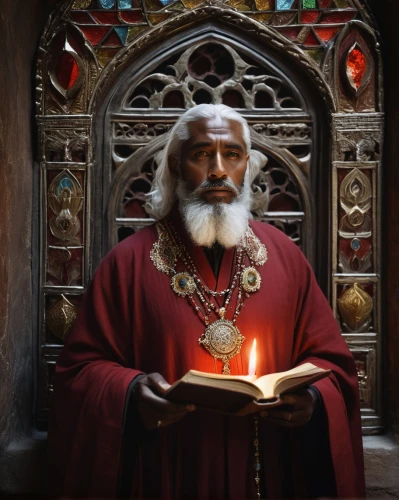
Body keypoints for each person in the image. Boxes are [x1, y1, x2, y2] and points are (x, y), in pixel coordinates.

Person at [48, 104, 365, 499]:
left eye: (231, 155)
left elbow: (334, 366)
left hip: (263, 467)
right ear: (178, 166)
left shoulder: (285, 256)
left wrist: (313, 401)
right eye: (201, 154)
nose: (218, 170)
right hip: (166, 469)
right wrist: (130, 394)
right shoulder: (127, 263)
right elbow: (79, 371)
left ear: (246, 166)